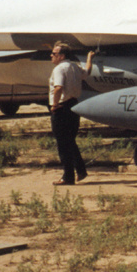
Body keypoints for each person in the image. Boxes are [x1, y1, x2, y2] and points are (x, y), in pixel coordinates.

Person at [49, 42, 95, 185]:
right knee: (70, 141)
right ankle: (80, 170)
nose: (51, 56)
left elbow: (58, 88)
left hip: (61, 108)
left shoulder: (59, 69)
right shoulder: (75, 67)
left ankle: (67, 177)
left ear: (61, 56)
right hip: (74, 106)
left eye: (54, 54)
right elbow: (87, 72)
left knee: (63, 144)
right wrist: (89, 58)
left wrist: (55, 105)